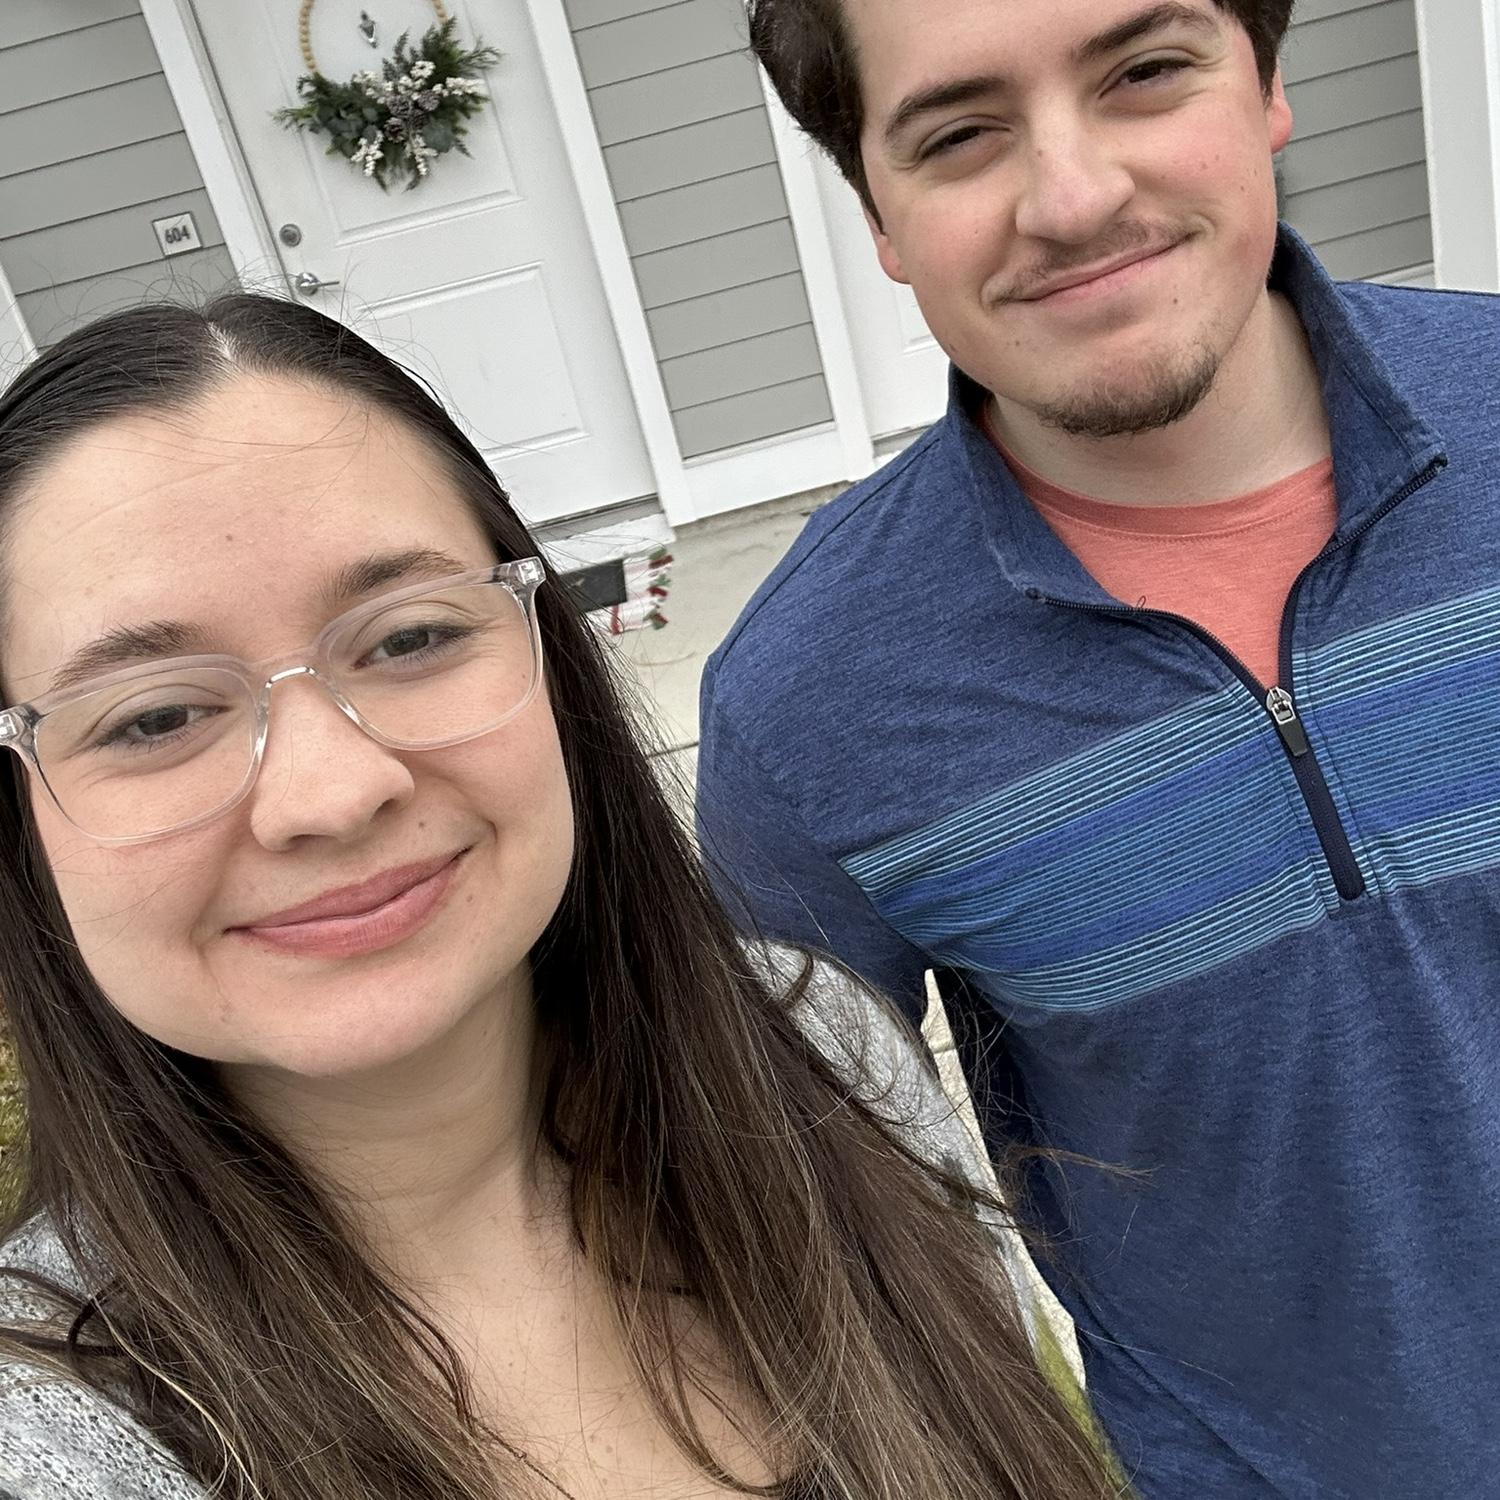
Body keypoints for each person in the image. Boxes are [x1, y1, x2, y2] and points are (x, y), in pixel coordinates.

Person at [0, 295, 1117, 1500]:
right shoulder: (51, 1445)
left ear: (548, 659)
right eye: (156, 717)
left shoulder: (827, 1054)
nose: (333, 791)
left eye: (409, 638)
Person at [695, 0, 1500, 1495]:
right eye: (959, 134)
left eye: (1144, 72)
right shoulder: (807, 711)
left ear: (1267, 82)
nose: (1072, 197)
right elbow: (829, 1235)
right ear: (879, 215)